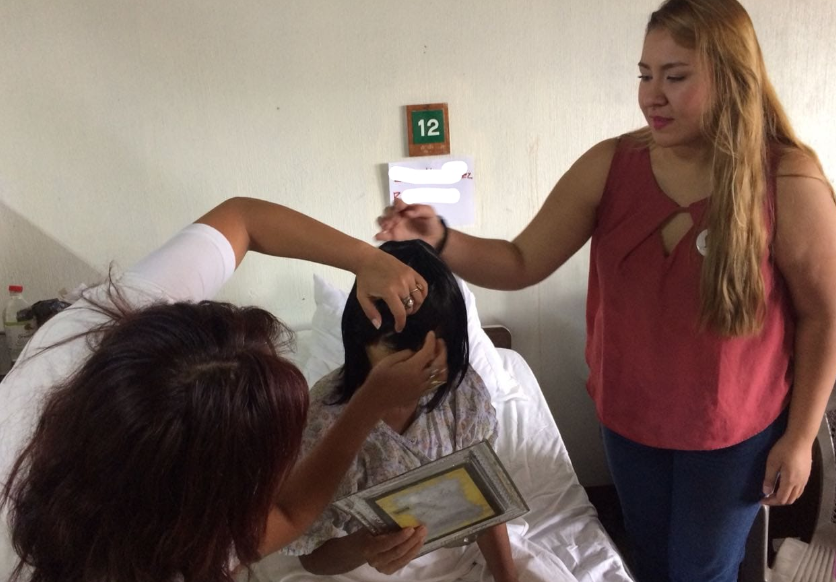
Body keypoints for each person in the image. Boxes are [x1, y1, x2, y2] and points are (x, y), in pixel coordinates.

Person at [376, 1, 836, 581]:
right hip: (630, 422)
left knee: (701, 569)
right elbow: (521, 261)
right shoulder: (611, 164)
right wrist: (438, 237)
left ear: (731, 77)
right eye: (645, 75)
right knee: (649, 558)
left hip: (731, 435)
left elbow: (825, 316)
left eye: (675, 76)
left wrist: (799, 439)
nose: (652, 95)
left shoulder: (788, 181)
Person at [0, 196, 448, 582]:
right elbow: (289, 516)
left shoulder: (97, 324)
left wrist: (367, 259)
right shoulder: (171, 548)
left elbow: (243, 218)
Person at [282, 240, 524, 582]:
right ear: (362, 342)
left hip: (458, 559)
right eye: (404, 356)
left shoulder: (462, 393)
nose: (425, 370)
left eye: (438, 353)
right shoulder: (323, 420)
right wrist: (364, 548)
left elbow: (482, 503)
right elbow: (310, 554)